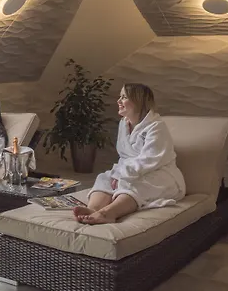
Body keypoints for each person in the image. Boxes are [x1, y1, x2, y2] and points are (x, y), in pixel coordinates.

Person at [73, 83, 186, 225]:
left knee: (136, 185)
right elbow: (124, 156)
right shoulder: (124, 123)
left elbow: (150, 159)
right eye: (120, 96)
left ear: (138, 101)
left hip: (158, 173)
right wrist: (118, 174)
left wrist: (123, 175)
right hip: (129, 170)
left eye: (124, 97)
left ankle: (108, 213)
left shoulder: (156, 127)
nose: (118, 101)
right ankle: (93, 209)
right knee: (104, 178)